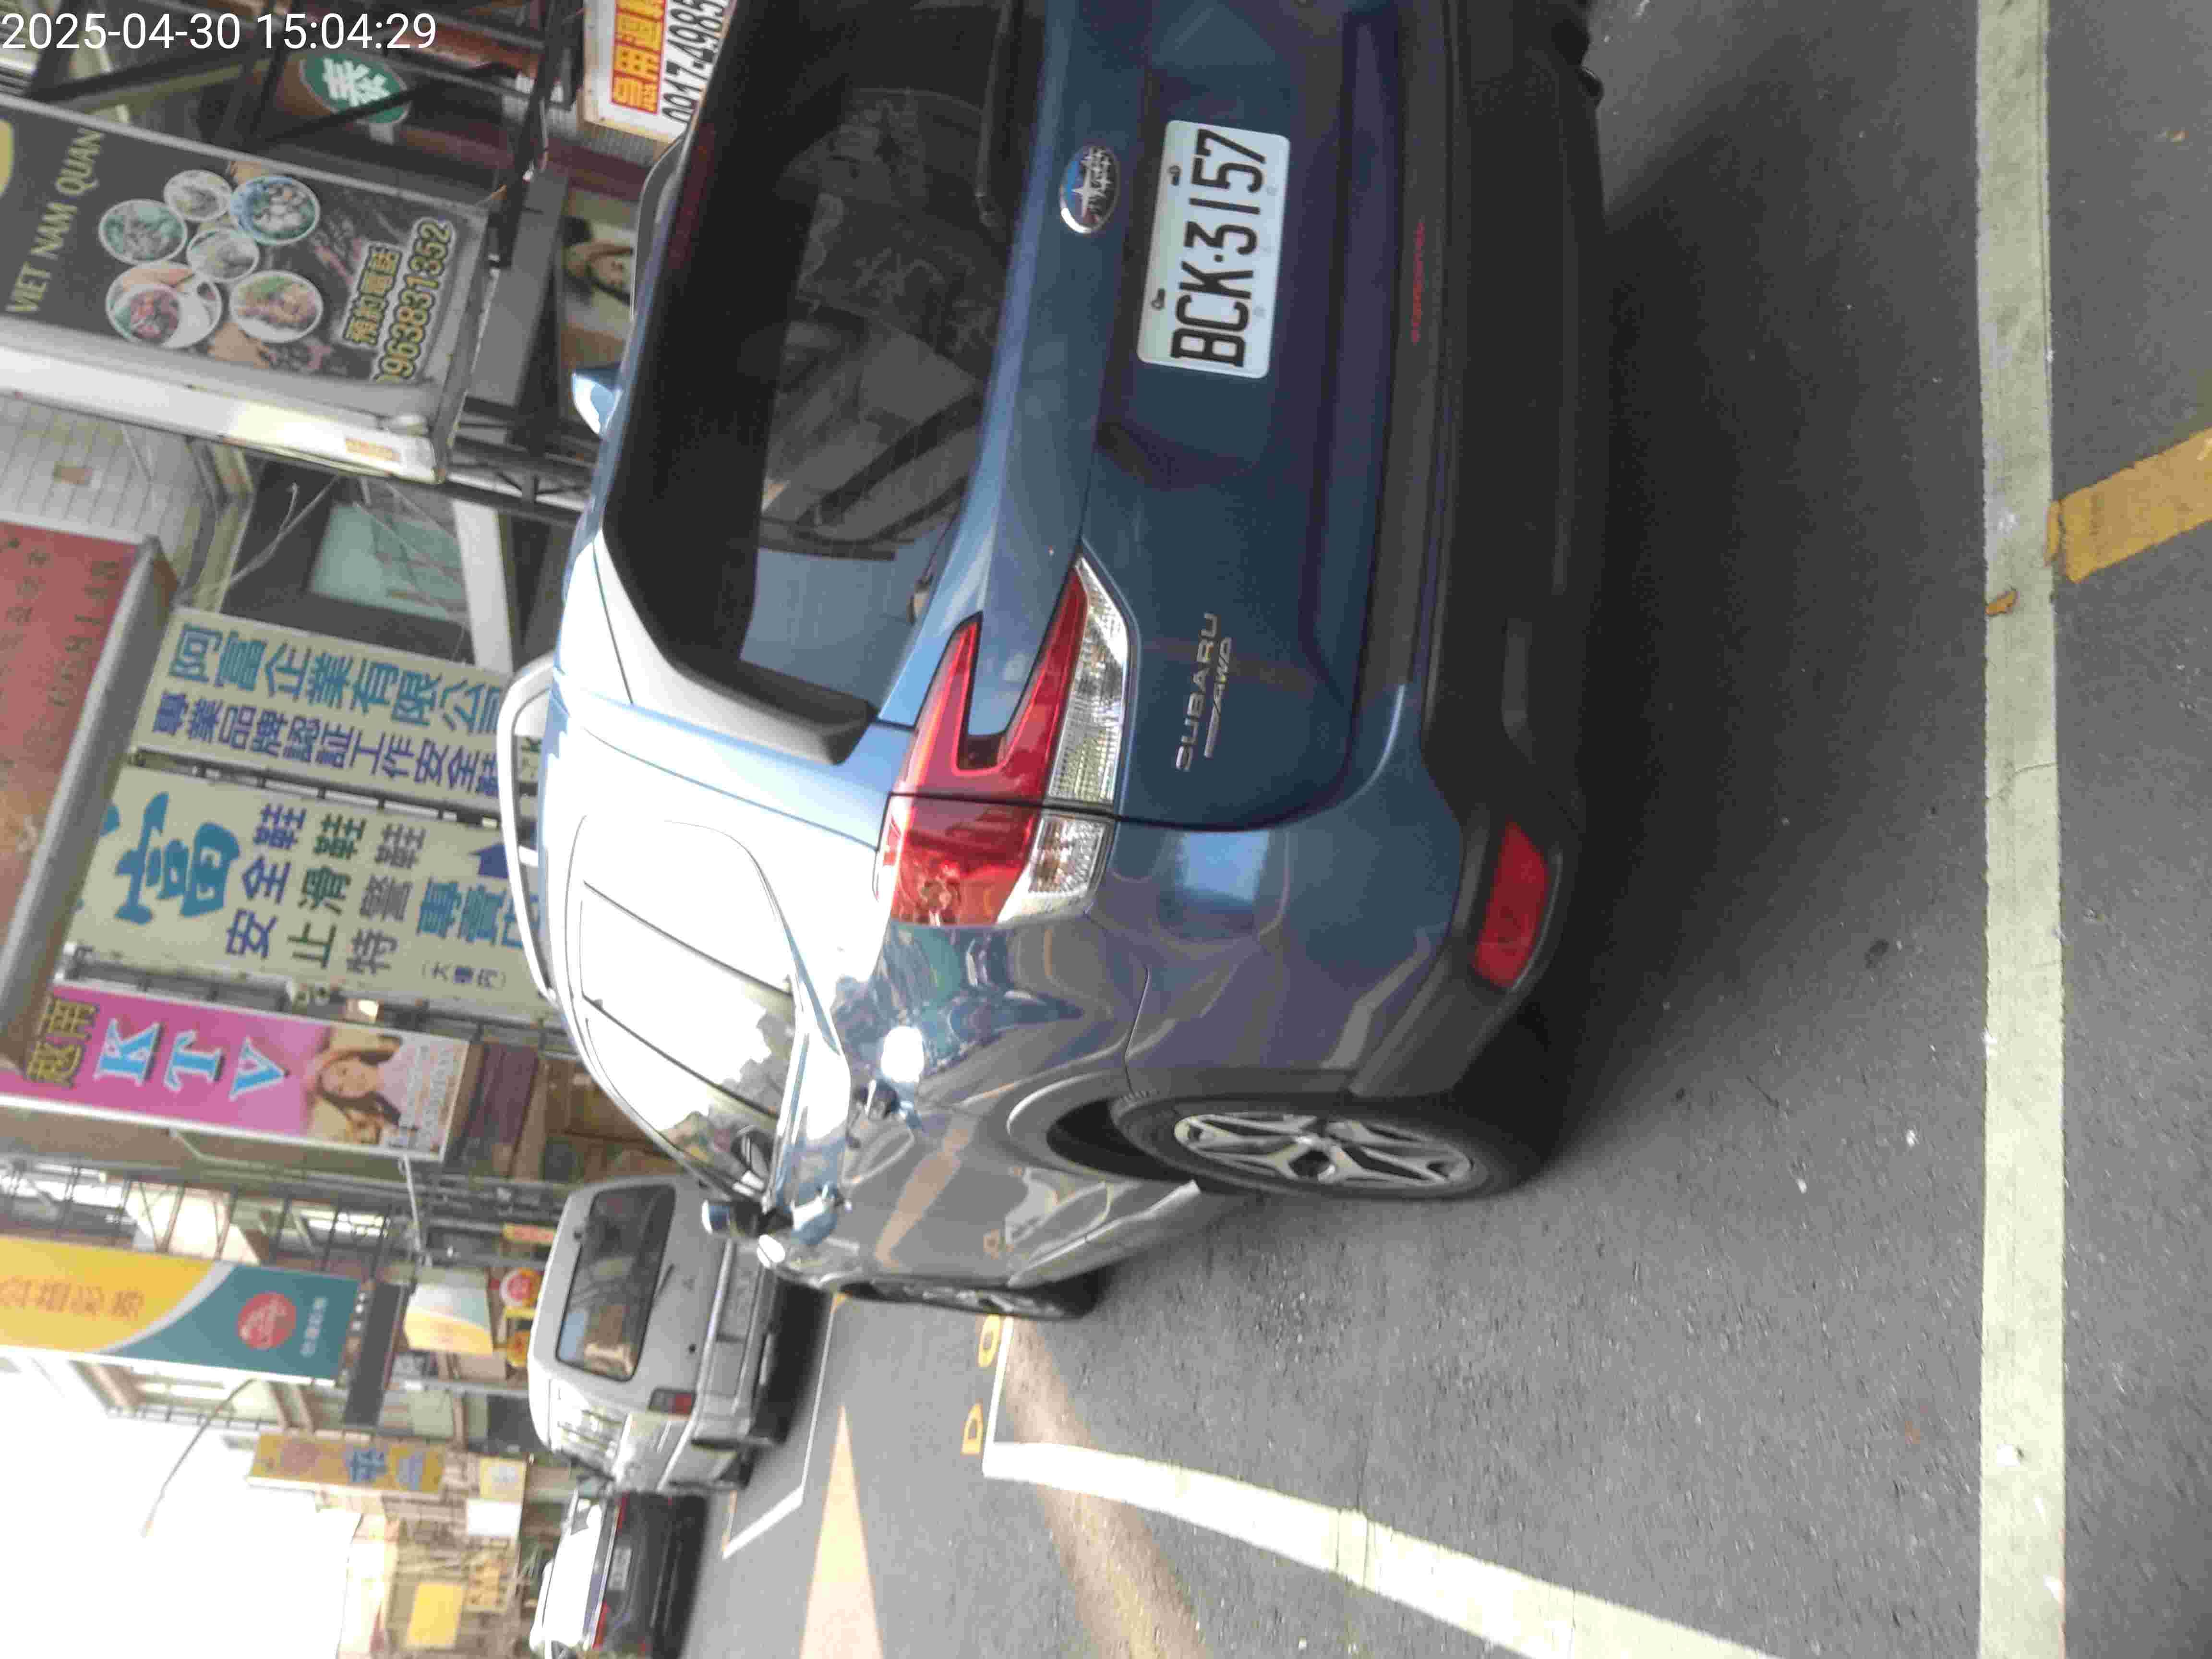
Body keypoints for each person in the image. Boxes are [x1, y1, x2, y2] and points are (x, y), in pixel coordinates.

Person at [305, 1029, 407, 1145]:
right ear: (346, 1099)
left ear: (353, 1058)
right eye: (340, 1089)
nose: (351, 1082)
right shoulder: (390, 1116)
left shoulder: (405, 1055)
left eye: (344, 1072)